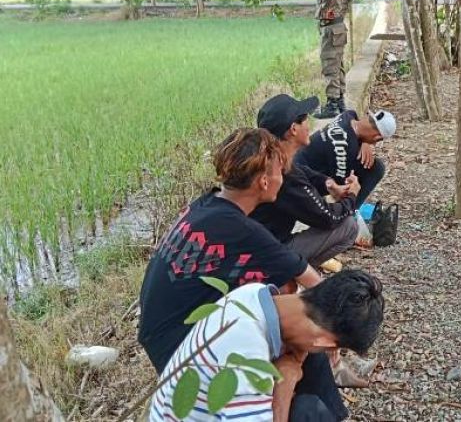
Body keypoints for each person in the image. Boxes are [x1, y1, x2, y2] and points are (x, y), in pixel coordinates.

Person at [138, 128, 322, 374]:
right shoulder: (240, 229)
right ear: (264, 182)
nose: (283, 176)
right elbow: (312, 281)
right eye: (281, 170)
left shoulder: (206, 205)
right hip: (179, 354)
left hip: (157, 336)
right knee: (299, 323)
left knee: (280, 287)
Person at [150, 270, 385, 422]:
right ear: (323, 342)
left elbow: (303, 344)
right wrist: (284, 385)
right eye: (332, 348)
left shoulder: (253, 293)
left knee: (306, 358)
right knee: (309, 411)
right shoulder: (246, 353)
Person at [250, 94, 360, 267]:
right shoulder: (282, 175)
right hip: (267, 255)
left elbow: (303, 172)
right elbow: (327, 217)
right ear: (294, 128)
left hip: (253, 246)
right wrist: (351, 197)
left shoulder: (265, 159)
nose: (309, 125)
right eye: (306, 120)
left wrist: (329, 184)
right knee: (349, 225)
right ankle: (291, 275)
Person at [295, 108, 396, 207]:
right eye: (376, 141)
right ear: (376, 138)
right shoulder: (345, 151)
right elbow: (340, 192)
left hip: (299, 160)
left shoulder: (348, 115)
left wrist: (365, 142)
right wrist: (352, 191)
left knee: (376, 167)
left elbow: (358, 120)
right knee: (352, 188)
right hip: (301, 182)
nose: (373, 144)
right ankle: (347, 216)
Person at [298, 0, 354, 119]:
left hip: (330, 29)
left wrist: (324, 11)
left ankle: (331, 105)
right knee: (338, 66)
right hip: (338, 27)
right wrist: (340, 12)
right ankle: (340, 102)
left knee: (329, 65)